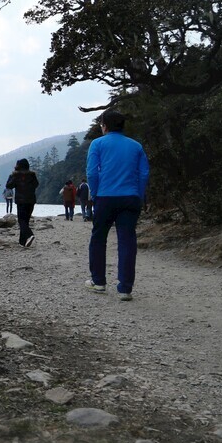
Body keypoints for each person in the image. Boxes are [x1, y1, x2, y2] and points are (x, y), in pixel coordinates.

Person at [85, 109, 150, 301]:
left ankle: (98, 282)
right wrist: (138, 194)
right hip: (130, 197)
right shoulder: (136, 146)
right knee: (127, 240)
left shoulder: (97, 144)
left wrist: (95, 194)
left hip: (105, 197)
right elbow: (144, 174)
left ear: (104, 125)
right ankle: (125, 288)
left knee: (98, 238)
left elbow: (92, 173)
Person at [5, 158, 39, 247]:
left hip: (20, 201)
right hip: (31, 200)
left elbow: (8, 185)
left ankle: (29, 234)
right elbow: (36, 185)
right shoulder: (32, 175)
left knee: (21, 220)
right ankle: (22, 242)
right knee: (26, 220)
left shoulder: (15, 175)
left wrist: (12, 176)